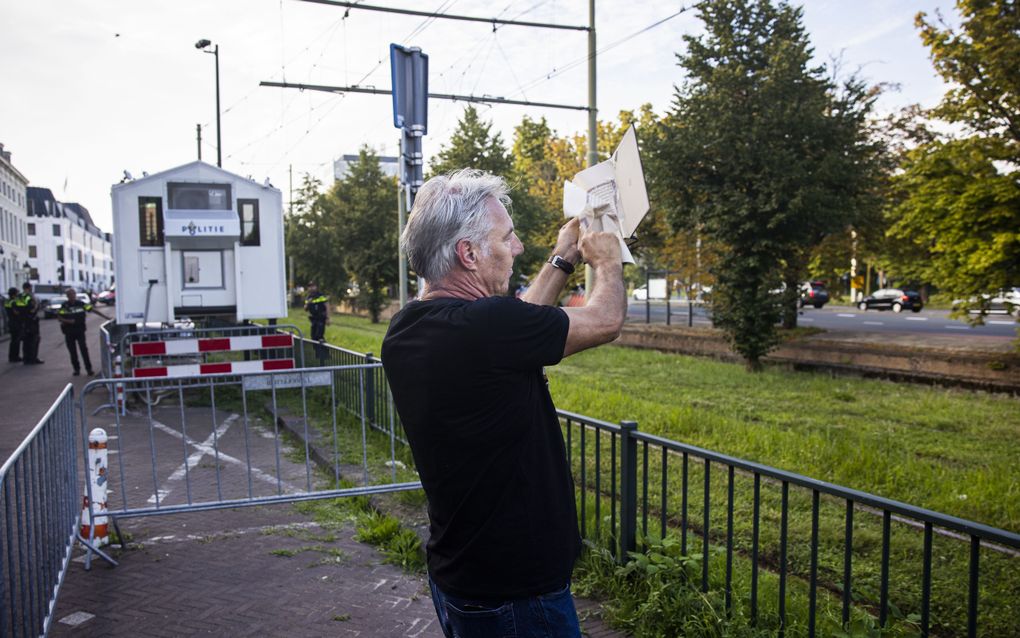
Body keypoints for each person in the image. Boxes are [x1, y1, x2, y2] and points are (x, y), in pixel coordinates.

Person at [381, 169, 626, 638]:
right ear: (468, 254)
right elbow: (605, 320)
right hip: (517, 595)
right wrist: (608, 262)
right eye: (507, 237)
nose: (516, 248)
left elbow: (517, 321)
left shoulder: (407, 328)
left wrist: (562, 259)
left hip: (463, 574)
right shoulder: (489, 327)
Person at [56, 288, 110, 376]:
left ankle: (89, 369)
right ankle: (76, 369)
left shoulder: (80, 304)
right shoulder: (64, 306)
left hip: (79, 331)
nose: (72, 296)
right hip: (69, 332)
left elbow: (92, 310)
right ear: (67, 296)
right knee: (72, 352)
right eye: (69, 294)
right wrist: (68, 321)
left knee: (84, 350)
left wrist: (106, 317)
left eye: (73, 294)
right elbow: (59, 317)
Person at [16, 282, 44, 365]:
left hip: (23, 321)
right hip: (31, 321)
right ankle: (33, 358)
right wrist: (34, 309)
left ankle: (26, 358)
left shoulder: (20, 296)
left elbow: (17, 308)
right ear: (29, 288)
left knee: (26, 341)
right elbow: (33, 308)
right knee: (34, 340)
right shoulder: (29, 297)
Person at [304, 282, 329, 360]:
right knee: (313, 336)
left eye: (313, 286)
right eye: (310, 287)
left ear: (316, 287)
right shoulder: (308, 297)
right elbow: (305, 309)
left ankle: (325, 354)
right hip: (313, 319)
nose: (312, 288)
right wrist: (308, 303)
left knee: (319, 335)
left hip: (321, 318)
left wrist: (328, 318)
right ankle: (318, 354)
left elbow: (327, 306)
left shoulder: (320, 296)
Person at [4, 287, 23, 363]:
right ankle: (15, 357)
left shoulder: (7, 301)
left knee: (13, 341)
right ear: (14, 294)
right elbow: (16, 312)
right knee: (16, 341)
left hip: (11, 322)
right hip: (15, 323)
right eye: (17, 293)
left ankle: (12, 356)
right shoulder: (13, 302)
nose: (18, 294)